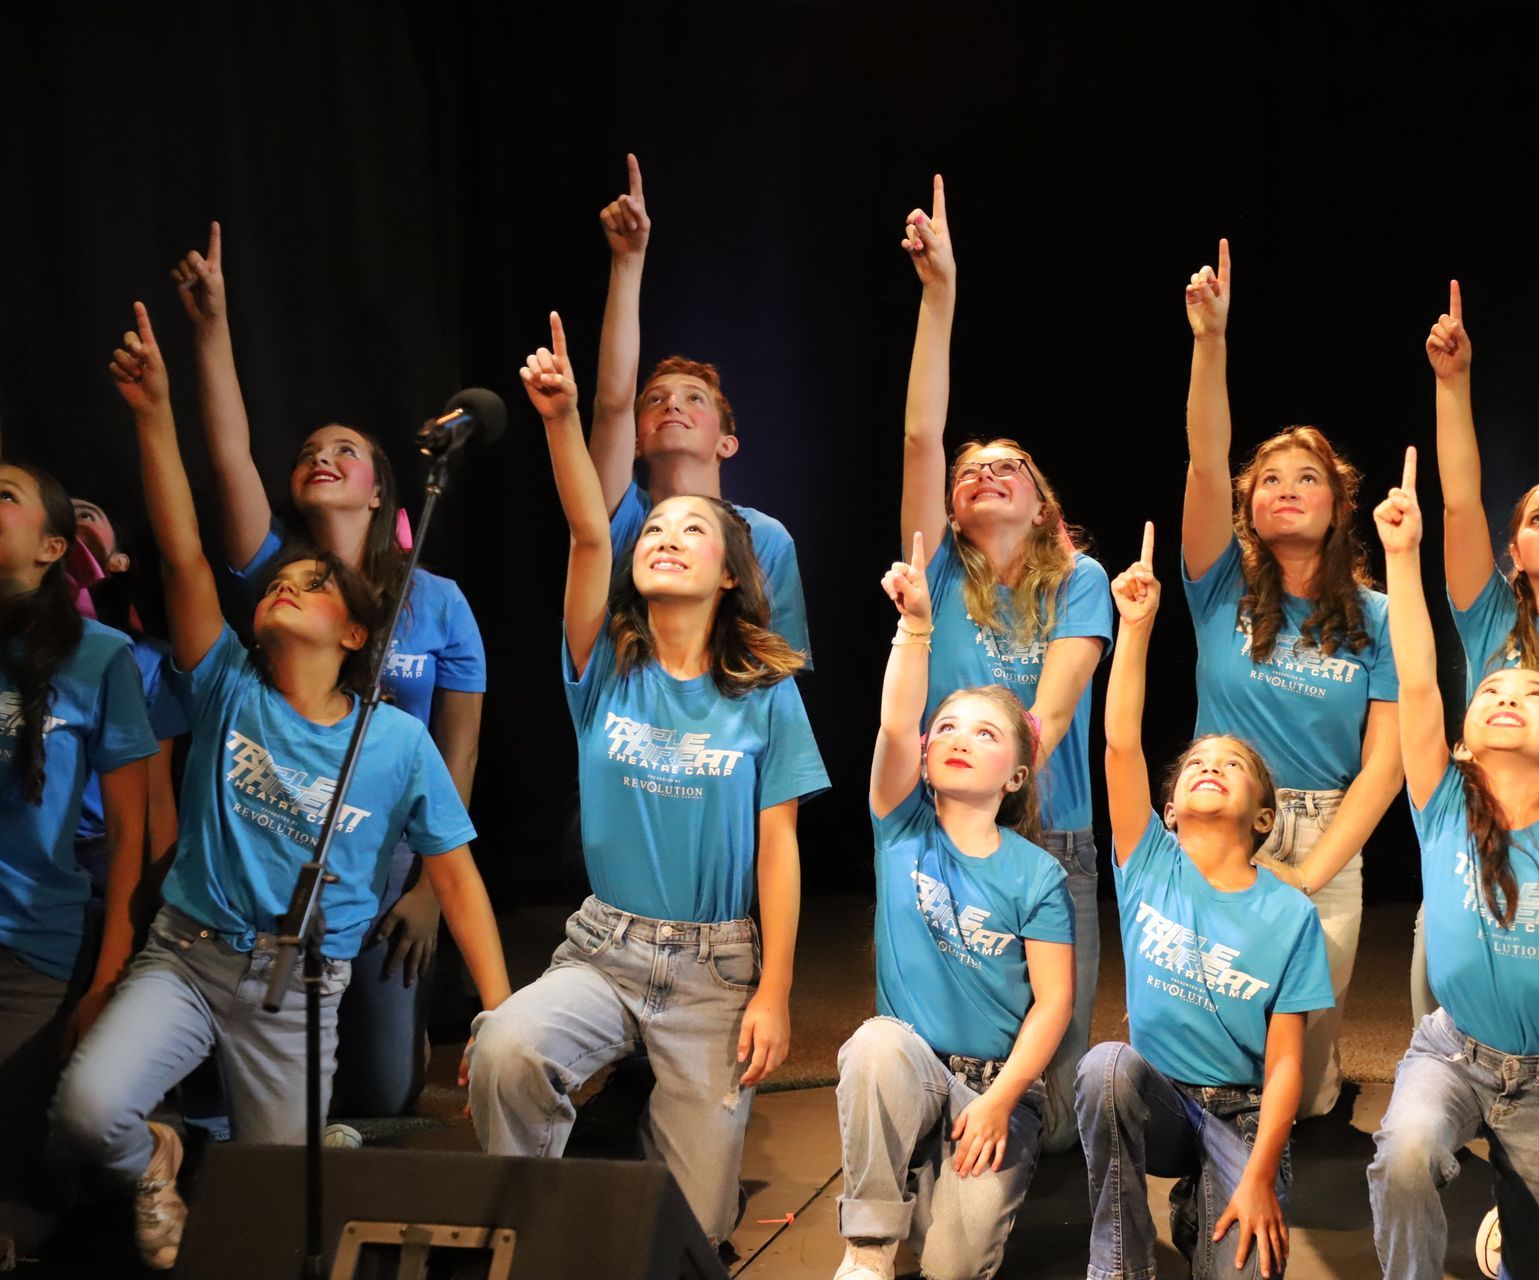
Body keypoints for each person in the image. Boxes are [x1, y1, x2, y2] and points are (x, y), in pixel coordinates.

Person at [52, 303, 510, 1271]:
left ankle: (237, 1147)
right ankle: (157, 1154)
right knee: (89, 1116)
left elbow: (460, 882)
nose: (287, 585)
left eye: (314, 584)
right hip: (189, 957)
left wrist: (498, 1019)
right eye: (277, 583)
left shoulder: (393, 742)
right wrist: (152, 412)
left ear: (356, 634)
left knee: (283, 1200)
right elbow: (182, 548)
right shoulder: (224, 684)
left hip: (297, 987)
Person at [466, 314, 828, 1250]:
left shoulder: (763, 695)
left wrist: (776, 989)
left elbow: (781, 845)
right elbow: (591, 528)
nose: (666, 535)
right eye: (655, 527)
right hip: (605, 946)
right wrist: (562, 417)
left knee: (692, 1236)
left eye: (691, 530)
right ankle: (533, 1235)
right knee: (505, 1047)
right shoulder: (602, 666)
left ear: (729, 570)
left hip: (716, 967)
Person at [170, 223, 487, 1119]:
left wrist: (426, 885)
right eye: (311, 449)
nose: (324, 456)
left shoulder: (441, 600)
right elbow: (228, 454)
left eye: (346, 450)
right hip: (269, 841)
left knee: (384, 1096)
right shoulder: (276, 571)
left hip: (381, 857)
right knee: (265, 1089)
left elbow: (456, 751)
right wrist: (212, 329)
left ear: (383, 489)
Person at [1366, 448, 1539, 1280]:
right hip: (1453, 1052)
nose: (1501, 697)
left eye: (1529, 696)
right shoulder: (1444, 805)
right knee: (1408, 1155)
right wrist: (1400, 558)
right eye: (1491, 692)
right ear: (1463, 738)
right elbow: (1419, 683)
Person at [899, 175, 1111, 1151]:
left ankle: (1032, 1173)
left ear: (1043, 504)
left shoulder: (1080, 578)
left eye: (1008, 465)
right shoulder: (939, 567)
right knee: (930, 1040)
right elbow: (920, 433)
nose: (983, 470)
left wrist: (1016, 750)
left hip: (1050, 833)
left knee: (1056, 1082)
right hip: (940, 831)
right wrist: (938, 296)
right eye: (970, 468)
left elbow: (1058, 701)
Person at [1181, 240, 1402, 1120]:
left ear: (1341, 505)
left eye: (1305, 478)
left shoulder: (1380, 621)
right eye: (1267, 480)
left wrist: (1308, 876)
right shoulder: (1220, 586)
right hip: (1217, 819)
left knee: (1300, 1090)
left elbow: (1384, 766)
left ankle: (1314, 1097)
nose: (1283, 489)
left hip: (1325, 836)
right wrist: (1210, 342)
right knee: (1212, 1048)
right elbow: (1204, 461)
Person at [1079, 522, 1332, 1280]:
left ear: (1264, 816)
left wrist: (1257, 1177)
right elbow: (1121, 742)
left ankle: (1207, 1199)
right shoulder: (1148, 861)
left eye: (1231, 764)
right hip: (1157, 1099)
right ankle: (1118, 1263)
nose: (1210, 767)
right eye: (1196, 764)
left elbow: (1287, 1065)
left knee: (1244, 1269)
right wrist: (1136, 627)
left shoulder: (1290, 914)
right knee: (1105, 1067)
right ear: (1168, 810)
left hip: (1242, 1114)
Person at [832, 530, 1075, 1280]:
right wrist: (915, 628)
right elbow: (894, 722)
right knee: (873, 1044)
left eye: (986, 733)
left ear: (1017, 776)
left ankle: (934, 1188)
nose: (959, 739)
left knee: (951, 1266)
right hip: (913, 1067)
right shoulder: (899, 825)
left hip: (992, 1086)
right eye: (948, 728)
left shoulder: (1036, 873)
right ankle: (868, 1250)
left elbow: (1053, 1004)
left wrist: (1003, 1099)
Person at [0, 462, 156, 1258]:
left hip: (32, 946)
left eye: (4, 497)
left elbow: (133, 832)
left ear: (53, 546)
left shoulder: (99, 657)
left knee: (24, 1180)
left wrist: (108, 981)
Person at [586, 154, 811, 659]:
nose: (673, 405)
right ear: (637, 440)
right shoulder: (621, 517)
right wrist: (628, 262)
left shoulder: (765, 538)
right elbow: (611, 404)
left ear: (726, 443)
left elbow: (780, 667)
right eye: (657, 400)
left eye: (695, 399)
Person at [69, 496, 189, 883]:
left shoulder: (147, 659)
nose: (66, 521)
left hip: (99, 851)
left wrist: (158, 892)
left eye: (85, 515)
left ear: (119, 561)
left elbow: (156, 794)